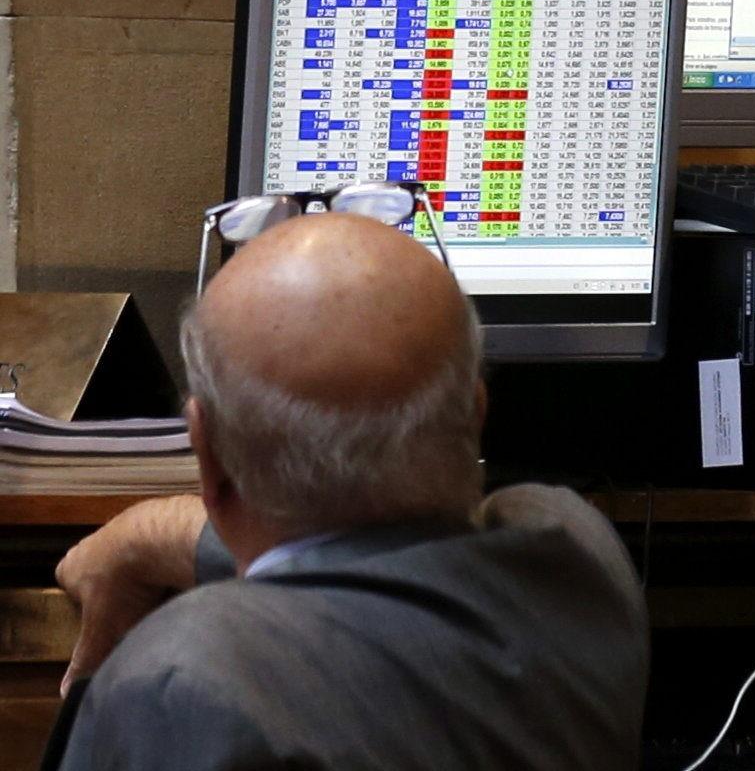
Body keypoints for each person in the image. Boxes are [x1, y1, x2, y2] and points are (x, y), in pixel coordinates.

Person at [49, 212, 648, 770]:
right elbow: (384, 555)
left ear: (208, 454)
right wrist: (146, 538)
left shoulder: (179, 679)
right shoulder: (585, 566)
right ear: (475, 415)